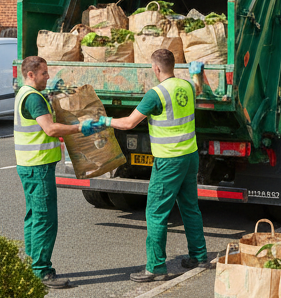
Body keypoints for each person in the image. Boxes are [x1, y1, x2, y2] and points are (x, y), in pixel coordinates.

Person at [83, 49, 208, 282]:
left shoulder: (156, 94)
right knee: (190, 207)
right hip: (189, 156)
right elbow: (198, 87)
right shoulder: (186, 86)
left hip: (169, 160)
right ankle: (199, 255)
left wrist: (104, 121)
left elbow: (130, 123)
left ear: (156, 68)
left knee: (155, 212)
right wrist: (197, 73)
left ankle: (156, 268)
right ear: (173, 66)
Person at [15, 56, 87, 289]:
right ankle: (41, 271)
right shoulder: (33, 98)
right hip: (38, 166)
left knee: (34, 217)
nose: (48, 77)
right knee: (45, 219)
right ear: (30, 74)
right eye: (44, 73)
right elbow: (50, 128)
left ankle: (31, 264)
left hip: (29, 165)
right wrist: (80, 127)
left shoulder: (25, 94)